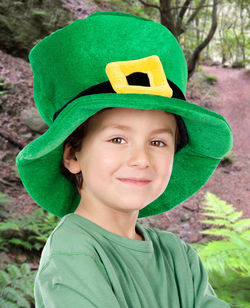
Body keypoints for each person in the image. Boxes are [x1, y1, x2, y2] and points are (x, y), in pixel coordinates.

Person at [16, 11, 233, 308]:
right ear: (72, 155)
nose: (141, 158)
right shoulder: (72, 256)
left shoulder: (179, 257)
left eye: (157, 142)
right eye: (117, 139)